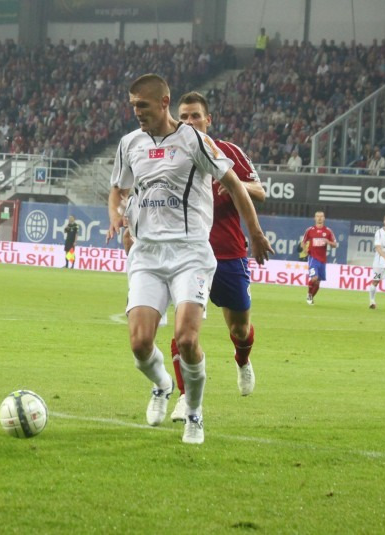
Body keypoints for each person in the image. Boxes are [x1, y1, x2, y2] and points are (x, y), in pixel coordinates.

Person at [106, 74, 272, 445]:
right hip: (147, 254)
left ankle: (194, 413)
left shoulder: (195, 141)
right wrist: (116, 216)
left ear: (162, 102)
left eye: (142, 105)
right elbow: (118, 189)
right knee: (139, 343)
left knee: (187, 337)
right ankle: (162, 385)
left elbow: (236, 185)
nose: (136, 112)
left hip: (191, 253)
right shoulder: (130, 143)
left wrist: (256, 233)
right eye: (133, 106)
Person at [164, 91, 266, 424]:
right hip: (189, 256)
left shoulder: (228, 152)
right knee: (184, 333)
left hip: (228, 255)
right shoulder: (170, 156)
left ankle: (242, 359)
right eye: (183, 117)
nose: (189, 122)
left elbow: (260, 191)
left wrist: (236, 185)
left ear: (208, 120)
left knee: (240, 329)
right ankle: (185, 398)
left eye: (195, 116)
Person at [301, 211, 338, 305]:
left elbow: (335, 244)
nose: (319, 218)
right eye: (317, 216)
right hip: (313, 258)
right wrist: (306, 251)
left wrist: (328, 242)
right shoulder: (310, 230)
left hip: (322, 260)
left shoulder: (328, 231)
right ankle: (309, 295)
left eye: (321, 216)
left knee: (317, 283)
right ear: (315, 218)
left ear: (324, 218)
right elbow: (303, 242)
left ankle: (311, 296)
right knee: (314, 278)